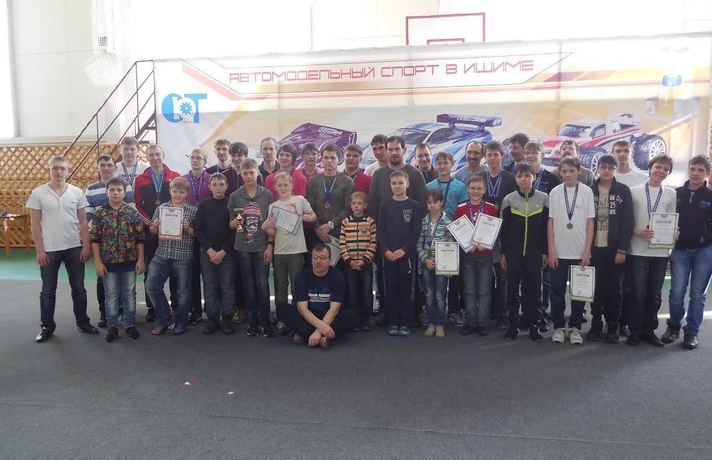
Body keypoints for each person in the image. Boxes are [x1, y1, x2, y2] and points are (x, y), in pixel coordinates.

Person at [27, 156, 98, 342]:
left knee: (79, 288)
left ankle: (83, 322)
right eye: (55, 168)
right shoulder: (38, 193)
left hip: (74, 247)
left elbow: (83, 221)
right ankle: (47, 326)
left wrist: (85, 245)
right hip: (49, 249)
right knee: (48, 291)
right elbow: (35, 225)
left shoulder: (77, 192)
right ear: (49, 169)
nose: (58, 171)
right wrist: (40, 250)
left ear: (68, 170)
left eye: (62, 168)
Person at [662, 155, 712, 350]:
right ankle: (673, 326)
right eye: (693, 169)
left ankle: (691, 332)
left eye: (701, 170)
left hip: (704, 251)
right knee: (676, 292)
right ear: (688, 169)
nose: (696, 173)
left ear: (707, 173)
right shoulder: (676, 194)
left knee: (697, 294)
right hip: (680, 251)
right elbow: (665, 219)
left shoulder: (710, 196)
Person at [627, 154, 676, 347]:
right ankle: (635, 330)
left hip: (660, 251)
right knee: (638, 293)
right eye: (658, 167)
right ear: (650, 168)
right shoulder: (634, 191)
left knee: (654, 294)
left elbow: (672, 219)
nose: (661, 171)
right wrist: (636, 231)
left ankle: (649, 330)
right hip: (637, 249)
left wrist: (674, 231)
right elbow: (626, 221)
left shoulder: (671, 193)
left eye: (665, 169)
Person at [90, 177, 145, 342]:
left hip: (129, 262)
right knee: (111, 295)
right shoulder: (100, 214)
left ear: (124, 192)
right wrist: (98, 262)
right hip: (108, 263)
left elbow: (140, 238)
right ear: (107, 192)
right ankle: (112, 326)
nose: (115, 193)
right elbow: (95, 240)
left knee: (129, 294)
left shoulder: (132, 213)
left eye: (119, 190)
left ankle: (130, 324)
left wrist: (141, 260)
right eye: (112, 190)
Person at [548, 156, 595, 345]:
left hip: (579, 251)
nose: (568, 174)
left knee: (579, 293)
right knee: (557, 292)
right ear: (560, 173)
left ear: (579, 172)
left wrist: (587, 251)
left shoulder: (587, 192)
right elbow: (550, 222)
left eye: (571, 171)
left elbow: (590, 223)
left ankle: (575, 328)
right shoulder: (555, 192)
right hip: (559, 252)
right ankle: (559, 327)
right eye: (564, 171)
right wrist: (551, 250)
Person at [499, 163, 549, 341]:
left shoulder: (544, 198)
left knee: (533, 290)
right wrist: (503, 253)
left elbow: (547, 229)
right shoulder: (508, 200)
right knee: (512, 290)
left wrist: (545, 252)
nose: (524, 179)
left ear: (534, 177)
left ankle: (534, 325)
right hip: (513, 253)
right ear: (516, 178)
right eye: (520, 176)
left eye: (527, 176)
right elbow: (503, 230)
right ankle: (513, 326)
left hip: (534, 253)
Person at [276, 245, 359, 349]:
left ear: (330, 260)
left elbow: (334, 310)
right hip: (309, 316)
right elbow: (303, 310)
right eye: (315, 258)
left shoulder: (338, 276)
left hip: (329, 315)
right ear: (311, 260)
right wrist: (321, 327)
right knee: (281, 308)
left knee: (353, 317)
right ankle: (321, 338)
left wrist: (318, 331)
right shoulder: (302, 277)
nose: (318, 261)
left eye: (322, 258)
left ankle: (305, 335)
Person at [588, 154, 633, 343]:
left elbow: (628, 222)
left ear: (616, 169)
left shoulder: (623, 190)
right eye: (603, 167)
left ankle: (613, 325)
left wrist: (622, 249)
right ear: (597, 168)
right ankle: (596, 324)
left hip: (615, 249)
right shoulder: (589, 190)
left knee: (615, 289)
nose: (606, 170)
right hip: (594, 249)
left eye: (610, 167)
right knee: (596, 289)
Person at [228, 159, 275, 337]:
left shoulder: (267, 194)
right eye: (245, 173)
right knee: (248, 285)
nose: (248, 176)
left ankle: (265, 321)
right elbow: (231, 223)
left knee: (262, 285)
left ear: (257, 173)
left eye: (251, 173)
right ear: (241, 174)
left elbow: (272, 223)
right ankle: (253, 322)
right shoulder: (235, 196)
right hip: (243, 247)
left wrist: (270, 245)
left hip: (262, 246)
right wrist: (234, 223)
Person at [133, 144, 180, 322]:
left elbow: (179, 202)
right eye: (151, 155)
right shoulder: (140, 179)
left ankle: (176, 306)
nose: (155, 157)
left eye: (157, 154)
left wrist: (171, 224)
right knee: (150, 270)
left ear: (163, 155)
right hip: (151, 232)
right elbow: (137, 206)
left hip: (172, 232)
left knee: (175, 271)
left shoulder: (174, 175)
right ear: (147, 157)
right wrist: (151, 223)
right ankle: (152, 307)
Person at [146, 177, 197, 336]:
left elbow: (198, 234)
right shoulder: (162, 208)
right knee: (152, 286)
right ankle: (165, 320)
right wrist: (154, 227)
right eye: (175, 191)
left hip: (183, 255)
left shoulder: (193, 211)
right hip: (162, 253)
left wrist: (188, 229)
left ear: (187, 193)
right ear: (170, 191)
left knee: (183, 292)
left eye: (181, 192)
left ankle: (181, 322)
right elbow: (152, 230)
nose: (178, 195)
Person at [262, 172, 316, 312]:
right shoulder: (273, 206)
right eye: (280, 185)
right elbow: (273, 232)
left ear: (292, 186)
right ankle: (282, 315)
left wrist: (305, 217)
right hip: (279, 252)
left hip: (297, 251)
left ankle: (299, 314)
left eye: (285, 185)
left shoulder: (299, 200)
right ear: (275, 187)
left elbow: (313, 216)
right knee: (280, 286)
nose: (283, 188)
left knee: (297, 286)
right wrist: (265, 227)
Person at [378, 170, 422, 336]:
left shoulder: (414, 206)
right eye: (394, 183)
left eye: (400, 183)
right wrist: (385, 250)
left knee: (405, 288)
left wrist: (404, 249)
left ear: (407, 184)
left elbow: (415, 231)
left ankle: (404, 321)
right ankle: (393, 321)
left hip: (406, 256)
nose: (397, 186)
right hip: (388, 255)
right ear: (390, 185)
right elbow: (381, 231)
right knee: (391, 288)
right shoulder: (385, 205)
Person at [426, 151, 468, 324]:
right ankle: (434, 312)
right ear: (436, 165)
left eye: (446, 163)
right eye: (439, 163)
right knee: (433, 275)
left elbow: (464, 210)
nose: (442, 166)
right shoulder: (429, 186)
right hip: (434, 233)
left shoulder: (460, 186)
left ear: (452, 164)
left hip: (453, 235)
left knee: (453, 275)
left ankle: (453, 310)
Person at [522, 141, 561, 331]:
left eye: (534, 152)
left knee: (545, 279)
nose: (530, 155)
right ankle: (527, 313)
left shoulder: (552, 179)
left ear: (542, 155)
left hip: (545, 233)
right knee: (527, 279)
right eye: (527, 152)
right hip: (524, 236)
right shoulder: (520, 177)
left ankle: (542, 313)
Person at [193, 172, 237, 335]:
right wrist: (210, 250)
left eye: (221, 184)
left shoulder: (234, 205)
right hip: (207, 253)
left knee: (227, 286)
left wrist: (224, 251)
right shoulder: (203, 206)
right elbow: (198, 229)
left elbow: (237, 231)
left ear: (227, 186)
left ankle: (227, 318)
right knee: (210, 285)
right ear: (209, 187)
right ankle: (212, 318)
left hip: (227, 253)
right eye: (215, 185)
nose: (218, 188)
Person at [611, 140, 647, 337]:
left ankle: (625, 322)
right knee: (613, 286)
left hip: (637, 243)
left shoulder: (642, 178)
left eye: (626, 150)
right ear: (613, 153)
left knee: (631, 287)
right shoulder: (606, 178)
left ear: (631, 153)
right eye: (618, 151)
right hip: (613, 243)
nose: (622, 154)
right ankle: (612, 322)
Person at [454, 175, 497, 336]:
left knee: (484, 290)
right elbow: (457, 230)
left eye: (479, 188)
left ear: (484, 190)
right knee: (469, 290)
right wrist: (466, 244)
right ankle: (470, 322)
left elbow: (494, 230)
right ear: (468, 189)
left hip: (485, 254)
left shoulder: (491, 208)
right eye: (473, 188)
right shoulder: (461, 208)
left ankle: (482, 323)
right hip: (468, 254)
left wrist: (484, 243)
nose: (476, 191)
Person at [482, 140, 517, 328]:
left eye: (496, 154)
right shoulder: (480, 177)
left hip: (504, 234)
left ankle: (502, 314)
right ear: (485, 157)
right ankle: (487, 313)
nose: (492, 158)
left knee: (503, 278)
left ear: (502, 156)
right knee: (487, 277)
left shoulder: (510, 179)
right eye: (489, 155)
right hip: (484, 233)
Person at [85, 154, 118, 328]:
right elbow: (88, 214)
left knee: (122, 277)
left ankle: (121, 310)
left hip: (123, 241)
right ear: (98, 167)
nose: (106, 168)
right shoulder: (91, 189)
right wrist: (102, 231)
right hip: (102, 242)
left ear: (114, 167)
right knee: (102, 277)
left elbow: (130, 210)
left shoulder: (124, 186)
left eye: (109, 165)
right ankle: (105, 313)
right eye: (102, 165)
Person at [416, 189, 454, 337]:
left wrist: (449, 266)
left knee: (440, 294)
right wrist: (425, 259)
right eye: (429, 202)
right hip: (427, 264)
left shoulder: (447, 222)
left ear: (441, 202)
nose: (432, 205)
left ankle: (440, 324)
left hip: (442, 266)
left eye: (435, 202)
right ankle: (431, 323)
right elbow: (419, 244)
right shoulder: (423, 222)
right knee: (429, 294)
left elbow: (451, 246)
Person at [339, 191, 377, 330]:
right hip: (350, 264)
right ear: (350, 205)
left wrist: (364, 260)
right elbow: (342, 243)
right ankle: (354, 321)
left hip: (365, 264)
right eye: (354, 203)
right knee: (352, 293)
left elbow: (373, 242)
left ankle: (365, 320)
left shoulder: (370, 222)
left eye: (359, 203)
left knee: (366, 292)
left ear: (365, 206)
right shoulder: (345, 222)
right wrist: (349, 260)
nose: (356, 206)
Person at [224, 141, 251, 325]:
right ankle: (239, 308)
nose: (236, 158)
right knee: (235, 274)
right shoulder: (225, 175)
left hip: (249, 228)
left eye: (240, 155)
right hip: (230, 227)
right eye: (234, 155)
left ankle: (253, 308)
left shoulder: (253, 174)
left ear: (245, 156)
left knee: (249, 273)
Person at [184, 148, 211, 324]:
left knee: (210, 276)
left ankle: (212, 309)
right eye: (192, 157)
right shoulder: (183, 180)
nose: (195, 160)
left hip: (208, 233)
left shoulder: (212, 180)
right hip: (189, 233)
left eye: (198, 158)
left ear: (204, 161)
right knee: (192, 274)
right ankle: (195, 310)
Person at [306, 144, 354, 247]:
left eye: (332, 158)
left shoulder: (347, 181)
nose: (329, 161)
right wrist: (318, 228)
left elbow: (348, 208)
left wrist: (330, 225)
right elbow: (309, 208)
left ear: (339, 160)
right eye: (326, 157)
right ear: (321, 159)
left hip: (339, 232)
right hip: (317, 233)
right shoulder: (313, 181)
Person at [114, 136, 149, 205]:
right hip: (120, 206)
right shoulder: (114, 168)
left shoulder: (146, 168)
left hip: (141, 206)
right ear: (120, 150)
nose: (129, 152)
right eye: (125, 149)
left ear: (138, 150)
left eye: (132, 149)